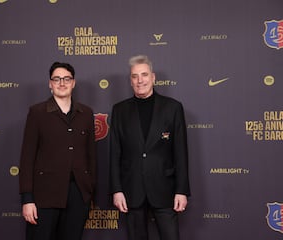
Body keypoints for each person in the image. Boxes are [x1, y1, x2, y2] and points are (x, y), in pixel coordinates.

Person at [109, 55, 190, 240]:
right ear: (130, 80)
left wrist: (182, 190)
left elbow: (181, 153)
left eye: (144, 75)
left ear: (153, 77)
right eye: (135, 76)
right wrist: (117, 190)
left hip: (165, 189)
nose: (140, 80)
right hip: (132, 190)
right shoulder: (119, 110)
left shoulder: (173, 108)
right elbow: (114, 154)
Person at [19, 62, 97, 240]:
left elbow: (91, 156)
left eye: (66, 79)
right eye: (57, 79)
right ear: (50, 84)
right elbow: (27, 158)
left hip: (78, 195)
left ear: (73, 83)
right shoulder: (37, 113)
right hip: (44, 195)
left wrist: (90, 190)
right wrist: (27, 199)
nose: (62, 83)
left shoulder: (86, 113)